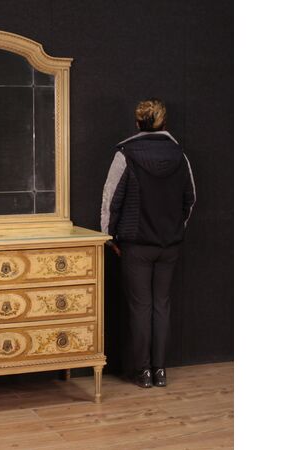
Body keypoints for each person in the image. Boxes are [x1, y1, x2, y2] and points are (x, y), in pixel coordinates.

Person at [100, 99, 196, 388]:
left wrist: (109, 236)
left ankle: (142, 372)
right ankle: (160, 370)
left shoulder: (125, 154)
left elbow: (110, 201)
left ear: (137, 123)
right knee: (161, 306)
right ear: (164, 123)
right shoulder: (180, 155)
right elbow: (189, 200)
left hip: (136, 245)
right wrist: (175, 230)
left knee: (140, 307)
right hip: (169, 245)